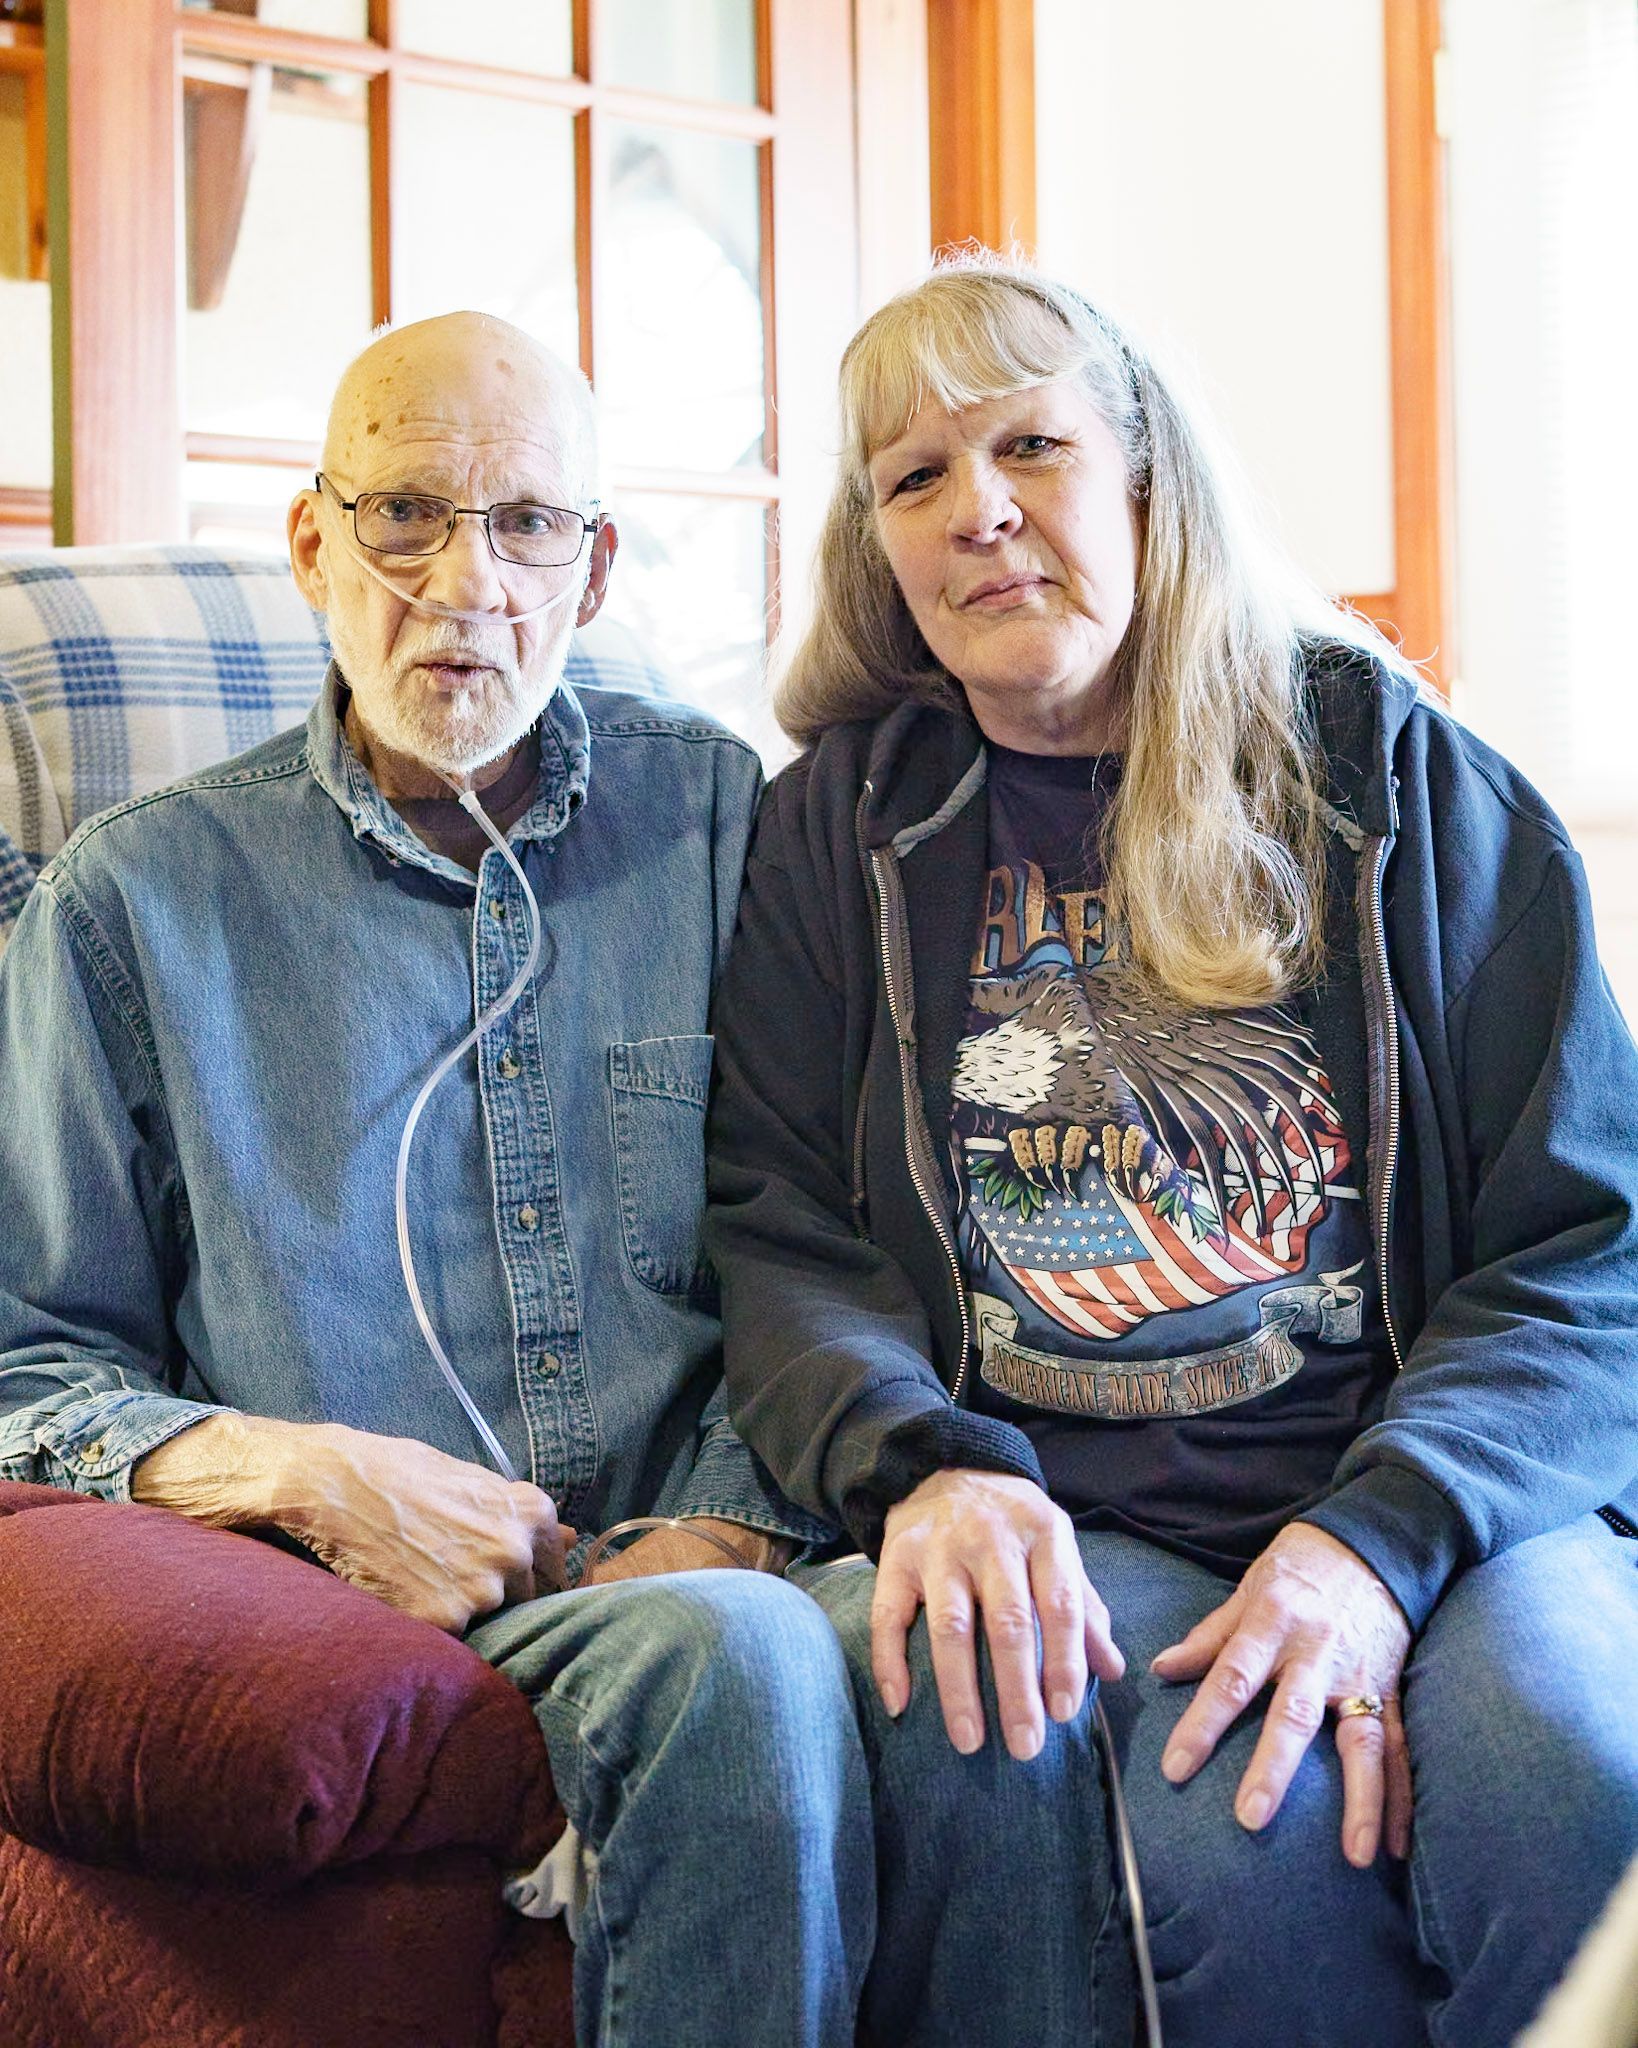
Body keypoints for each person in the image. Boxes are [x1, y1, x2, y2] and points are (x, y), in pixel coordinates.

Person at [706, 255, 1638, 2047]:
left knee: (1577, 1791)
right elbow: (780, 1229)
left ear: (1145, 476)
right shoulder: (848, 828)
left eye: (1029, 447)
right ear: (876, 546)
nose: (976, 512)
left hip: (1440, 1495)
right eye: (911, 478)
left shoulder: (1393, 777)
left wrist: (1371, 1547)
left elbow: (1587, 1248)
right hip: (1080, 1513)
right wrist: (924, 1464)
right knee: (1232, 1856)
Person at [0, 311, 884, 2048]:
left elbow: (842, 1239)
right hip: (368, 1608)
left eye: (528, 523)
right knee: (742, 1663)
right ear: (315, 543)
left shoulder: (730, 823)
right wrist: (305, 1473)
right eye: (405, 514)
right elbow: (21, 1354)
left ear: (596, 564)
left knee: (982, 1644)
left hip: (738, 1546)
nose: (465, 581)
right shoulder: (130, 905)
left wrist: (729, 1520)